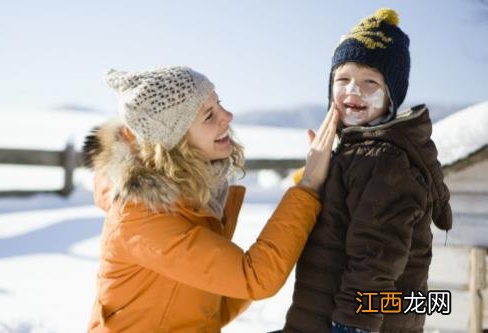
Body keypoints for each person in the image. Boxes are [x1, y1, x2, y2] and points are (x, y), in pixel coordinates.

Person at [82, 65, 339, 332]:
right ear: (174, 141)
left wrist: (306, 185)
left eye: (220, 104)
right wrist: (308, 186)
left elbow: (214, 305)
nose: (228, 116)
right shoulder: (143, 220)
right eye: (209, 115)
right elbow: (255, 277)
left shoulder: (193, 195)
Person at [281, 8, 452, 333]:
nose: (353, 90)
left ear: (391, 97)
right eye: (342, 79)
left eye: (369, 81)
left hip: (358, 322)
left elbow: (378, 255)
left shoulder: (383, 160)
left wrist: (352, 326)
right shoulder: (355, 151)